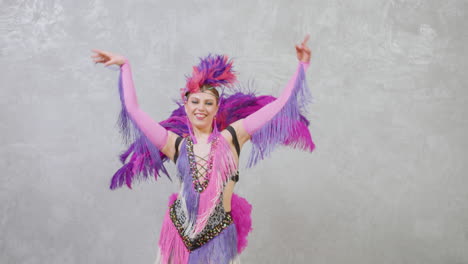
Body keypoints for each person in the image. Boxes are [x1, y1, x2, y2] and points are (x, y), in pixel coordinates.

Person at [91, 35, 314, 264]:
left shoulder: (232, 137)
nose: (201, 108)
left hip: (217, 238)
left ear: (216, 108)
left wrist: (302, 65)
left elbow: (279, 107)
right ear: (186, 106)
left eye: (208, 103)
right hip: (177, 236)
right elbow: (134, 111)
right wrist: (125, 66)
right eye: (195, 102)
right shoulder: (174, 144)